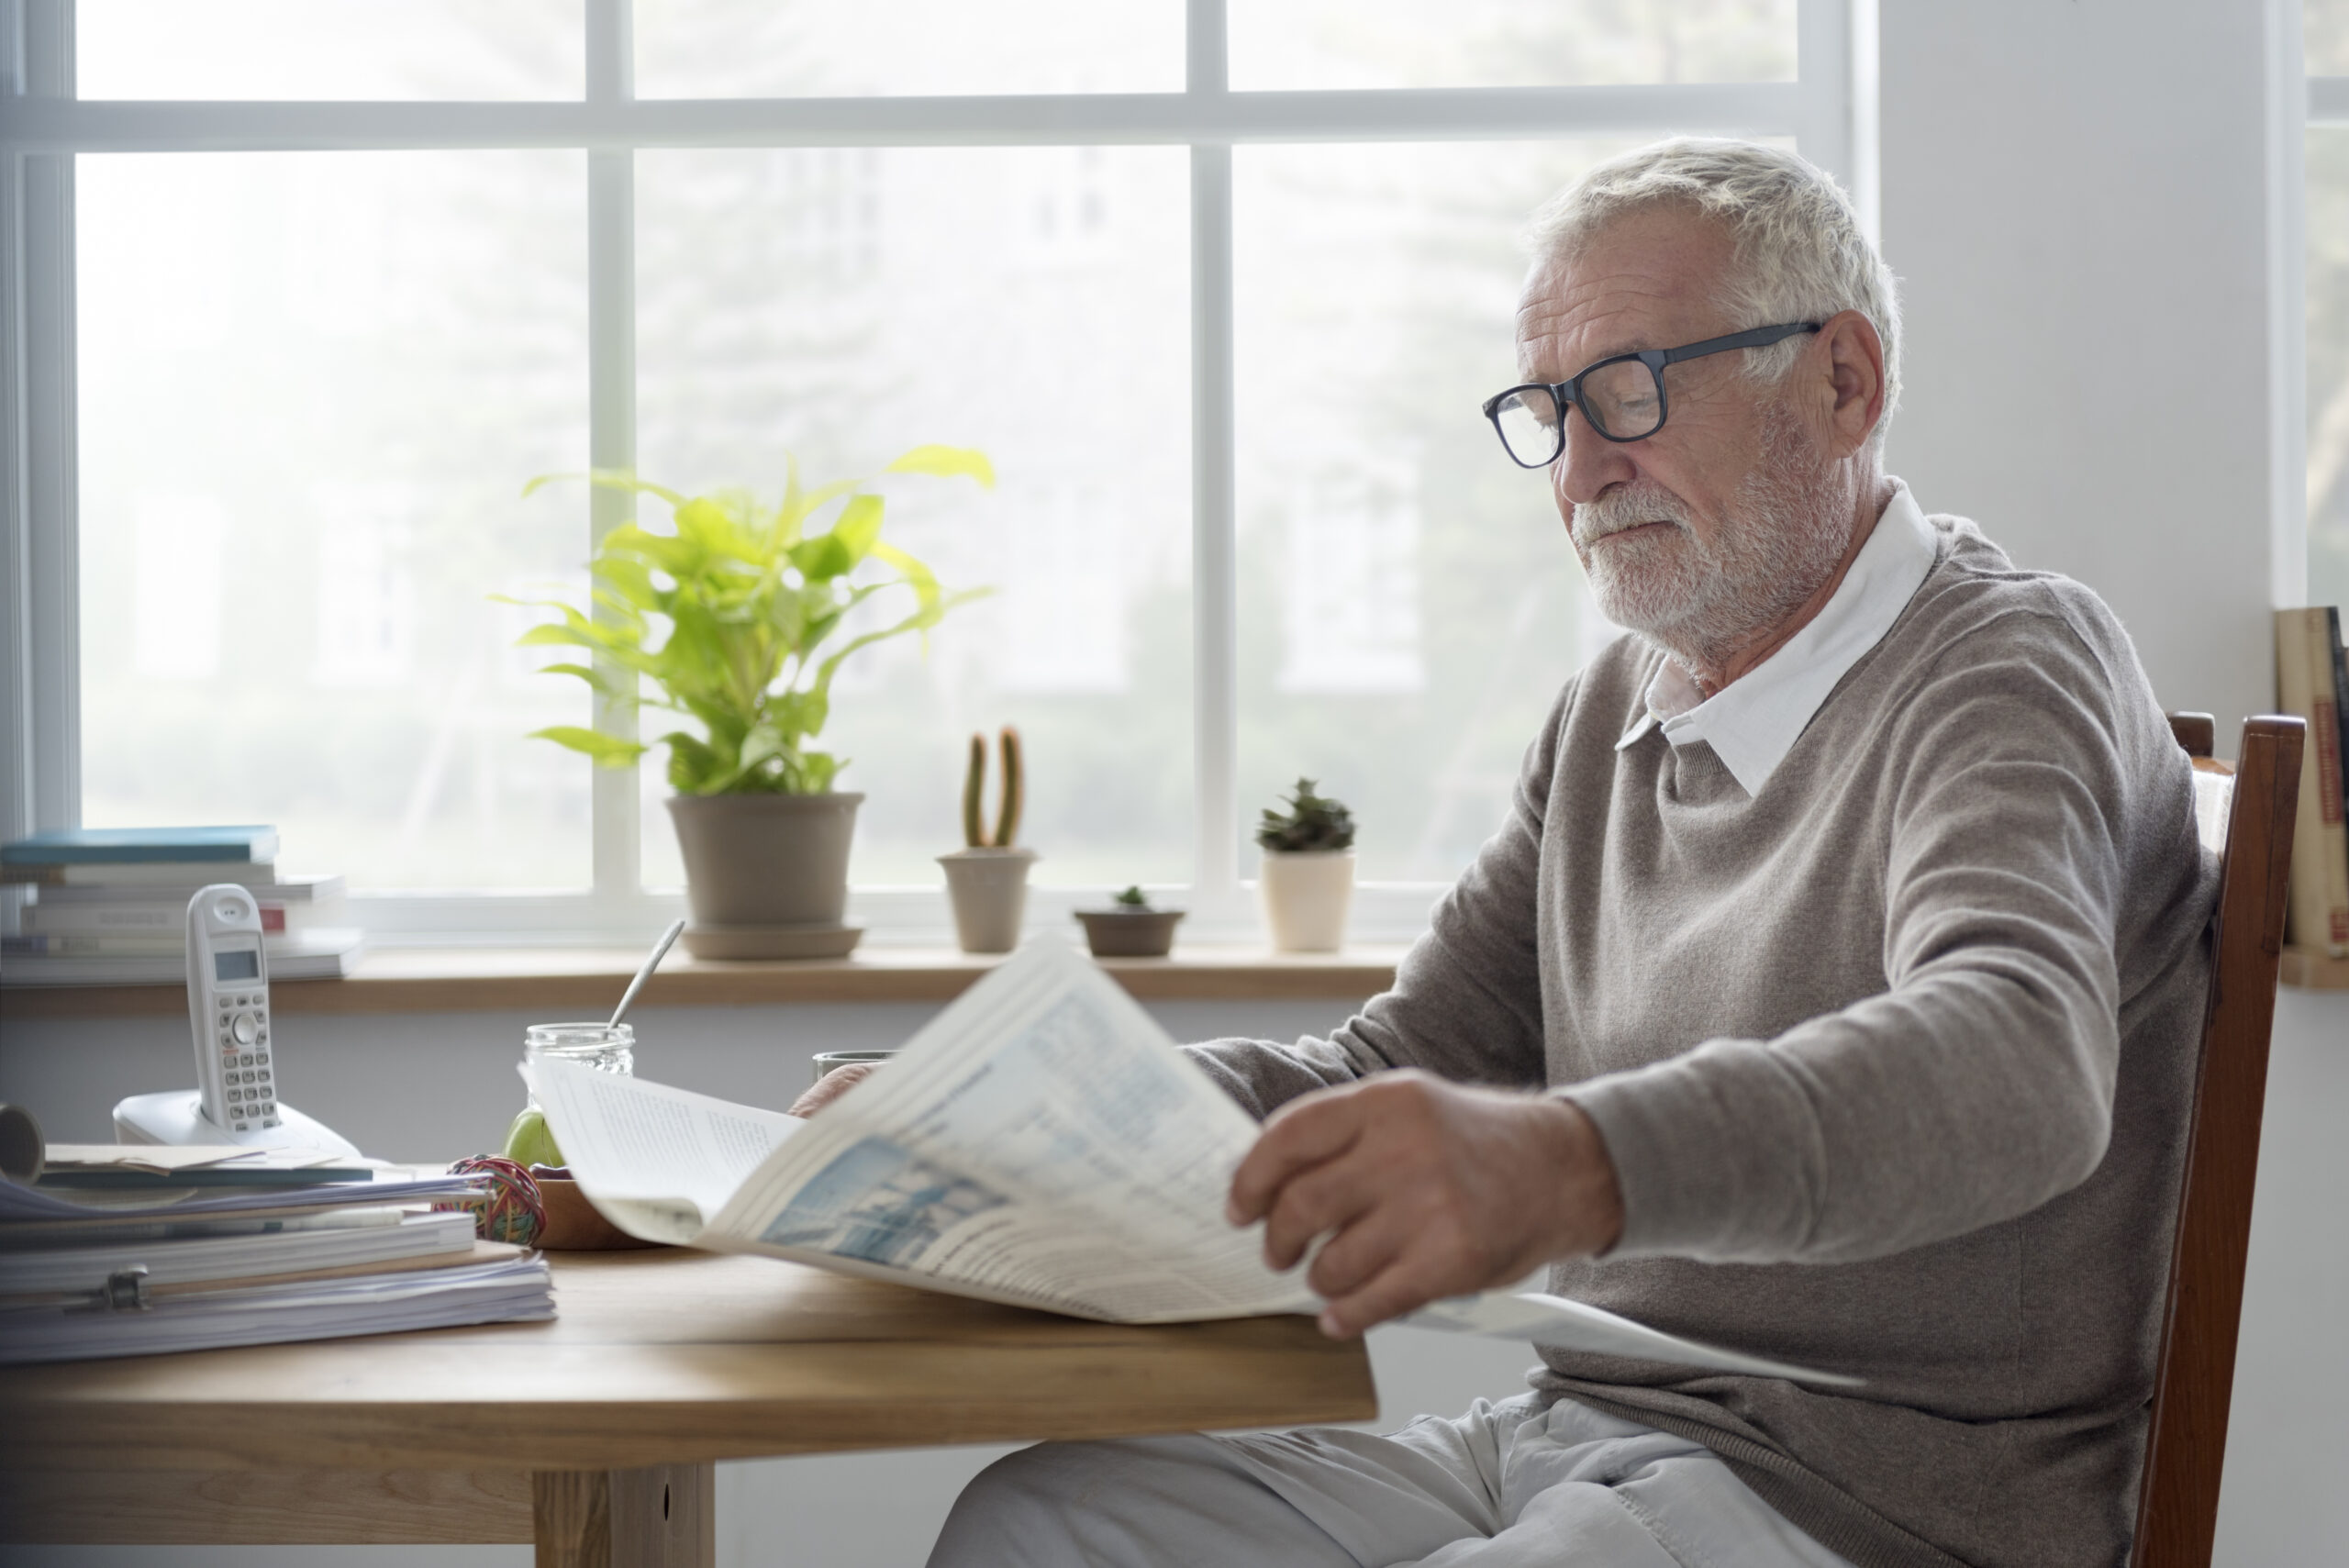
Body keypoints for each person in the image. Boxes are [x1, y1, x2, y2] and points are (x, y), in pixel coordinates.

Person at [803, 139, 2215, 1568]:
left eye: (1633, 388)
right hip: (1571, 1434)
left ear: (1843, 380)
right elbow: (1392, 1071)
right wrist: (1017, 1104)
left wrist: (1572, 1162)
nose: (1588, 465)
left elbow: (2014, 1065)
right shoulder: (1614, 701)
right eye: (1551, 408)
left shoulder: (2008, 667)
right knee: (1042, 1522)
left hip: (1872, 1498)